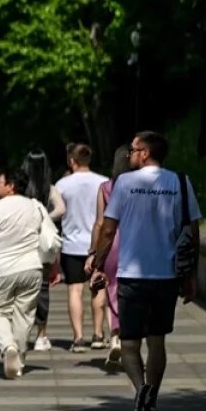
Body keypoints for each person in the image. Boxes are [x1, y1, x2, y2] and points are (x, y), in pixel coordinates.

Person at [90, 130, 202, 411]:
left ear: (144, 153)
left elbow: (109, 229)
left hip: (131, 275)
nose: (130, 155)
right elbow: (192, 231)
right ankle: (151, 401)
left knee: (129, 344)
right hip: (165, 275)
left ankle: (140, 390)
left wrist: (98, 265)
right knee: (157, 342)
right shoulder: (180, 181)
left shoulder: (124, 183)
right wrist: (190, 277)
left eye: (133, 150)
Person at [0, 168, 61, 379]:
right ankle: (18, 356)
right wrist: (54, 267)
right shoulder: (36, 207)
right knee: (25, 314)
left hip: (0, 269)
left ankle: (8, 347)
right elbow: (49, 238)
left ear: (11, 185)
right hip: (31, 268)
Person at [54, 143, 109, 352]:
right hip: (98, 244)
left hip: (71, 244)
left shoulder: (62, 184)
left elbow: (57, 213)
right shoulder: (103, 182)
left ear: (71, 161)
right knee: (98, 288)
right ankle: (98, 334)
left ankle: (78, 338)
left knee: (74, 290)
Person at [85, 144, 133, 369]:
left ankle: (114, 336)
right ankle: (127, 340)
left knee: (110, 287)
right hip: (136, 244)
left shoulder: (106, 187)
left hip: (111, 243)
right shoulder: (139, 187)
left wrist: (93, 253)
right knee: (131, 292)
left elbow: (99, 223)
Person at [23, 151, 66, 350]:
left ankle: (21, 332)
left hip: (22, 242)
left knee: (22, 290)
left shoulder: (21, 188)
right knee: (42, 289)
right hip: (43, 245)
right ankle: (42, 335)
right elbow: (61, 209)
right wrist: (46, 217)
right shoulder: (50, 188)